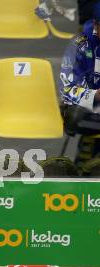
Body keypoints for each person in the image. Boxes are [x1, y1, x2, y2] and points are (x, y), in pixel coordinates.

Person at [59, 2, 100, 168]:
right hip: (85, 109)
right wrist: (95, 95)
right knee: (78, 112)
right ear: (97, 25)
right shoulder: (80, 45)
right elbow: (68, 91)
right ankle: (85, 165)